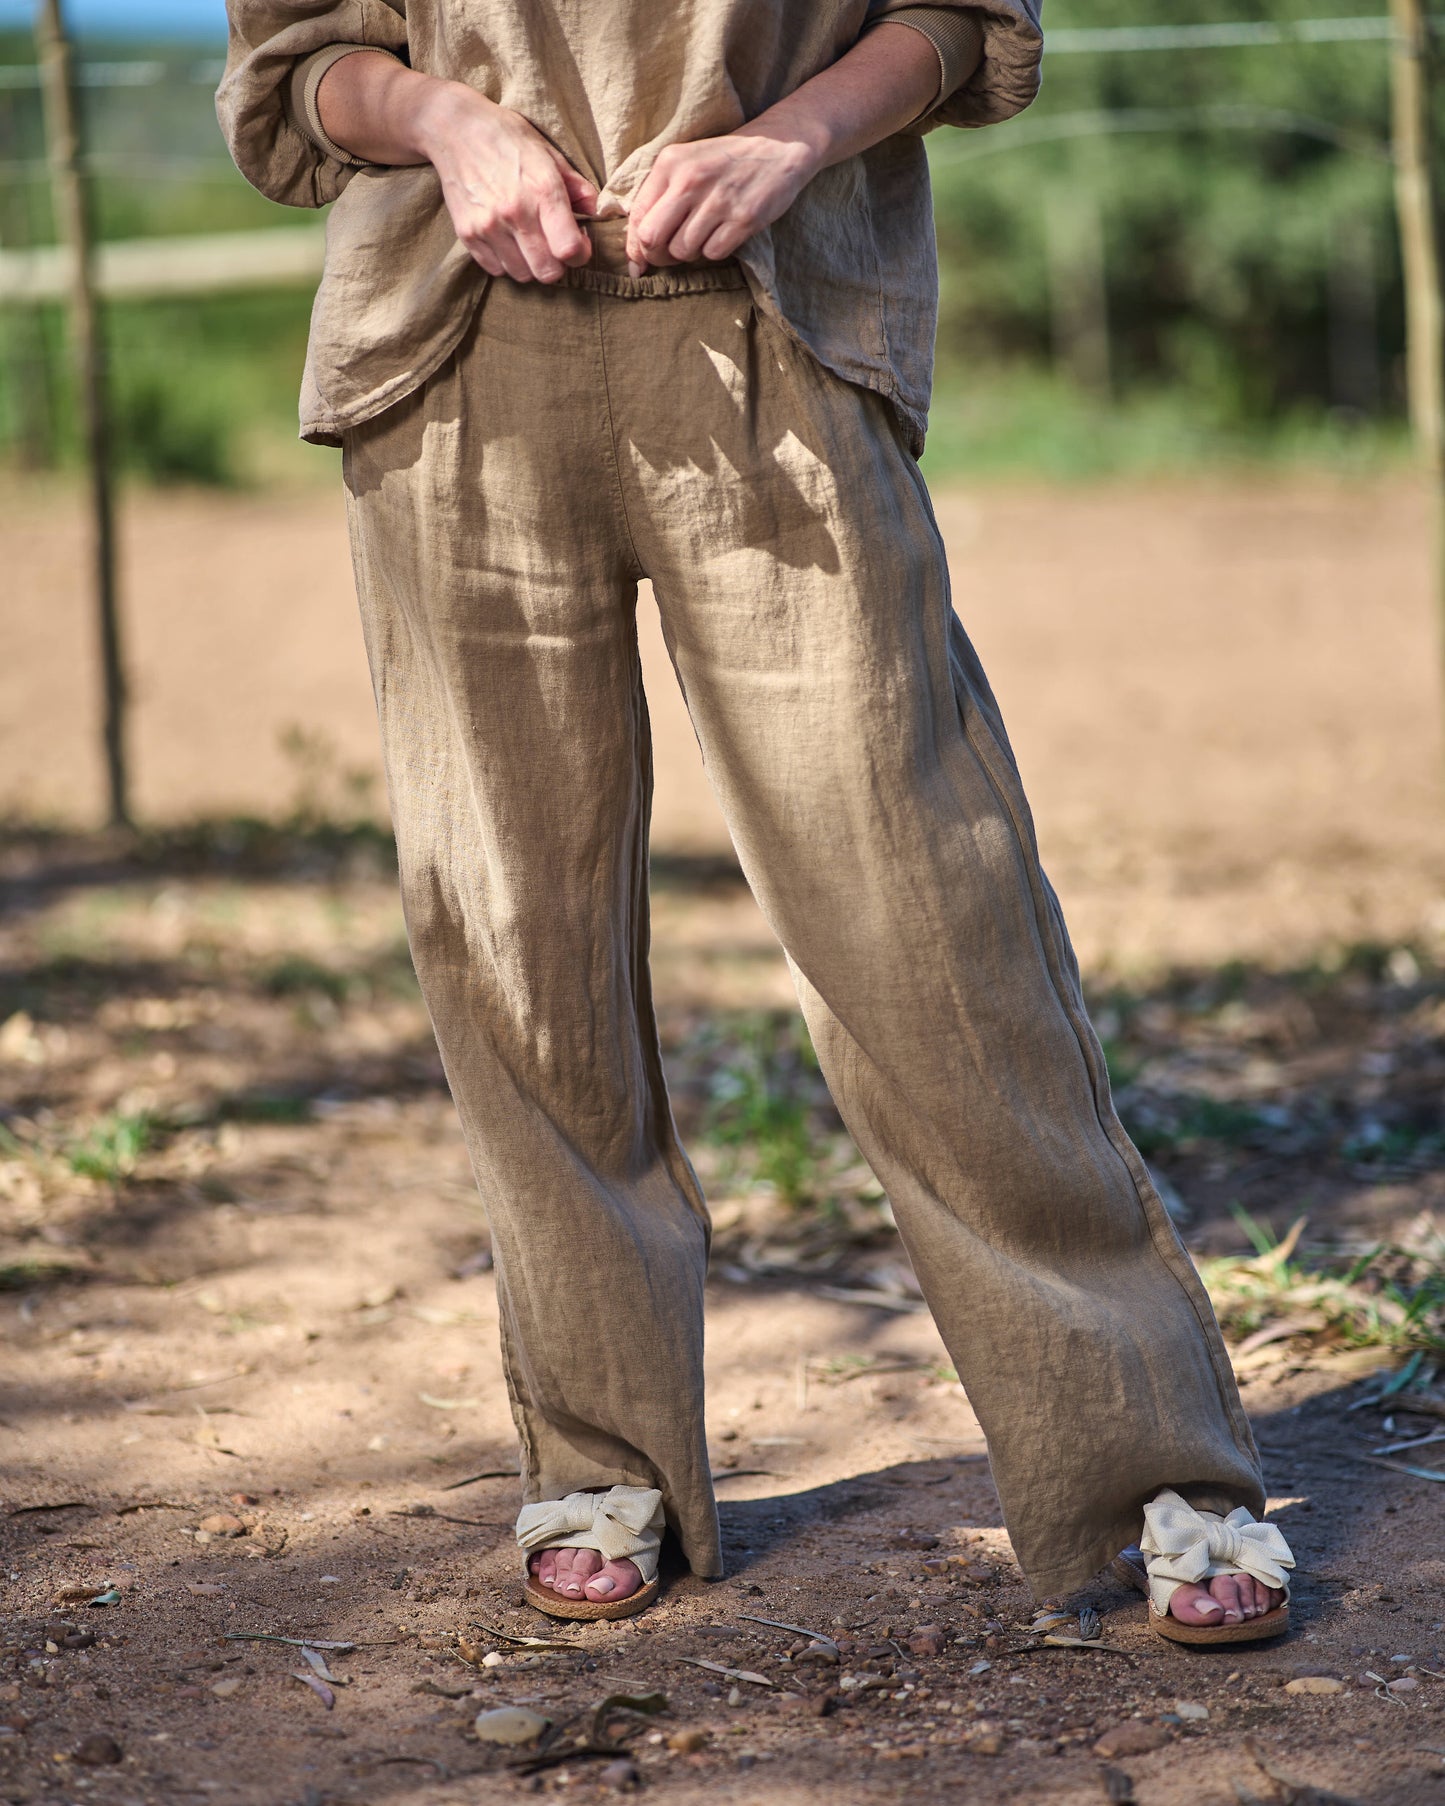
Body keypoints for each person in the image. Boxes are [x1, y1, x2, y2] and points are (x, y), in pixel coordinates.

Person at [218, 0, 1296, 1644]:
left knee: (925, 919)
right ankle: (601, 1454)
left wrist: (792, 138)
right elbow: (298, 67)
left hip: (773, 327)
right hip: (452, 353)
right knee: (514, 938)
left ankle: (1150, 1457)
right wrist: (447, 123)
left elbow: (959, 22)